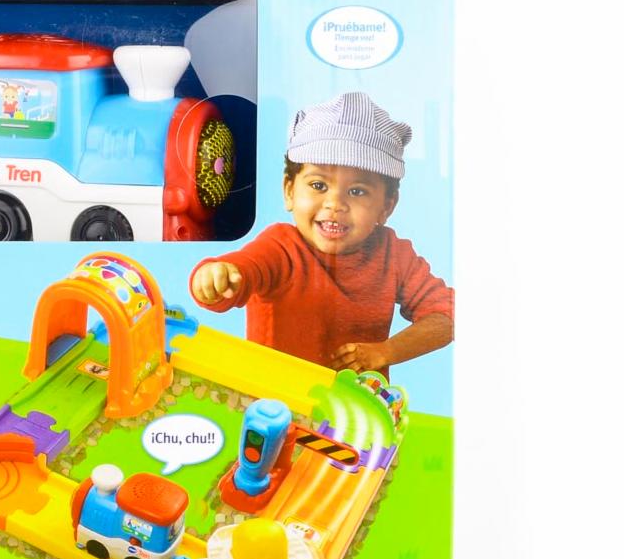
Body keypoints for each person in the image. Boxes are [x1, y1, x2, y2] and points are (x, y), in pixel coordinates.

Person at [189, 91, 453, 373]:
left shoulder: (395, 255)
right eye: (318, 185)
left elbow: (447, 316)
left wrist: (386, 351)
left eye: (357, 191)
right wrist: (216, 276)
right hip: (276, 398)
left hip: (359, 401)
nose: (335, 204)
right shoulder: (280, 246)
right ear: (289, 191)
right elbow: (245, 268)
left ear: (387, 206)